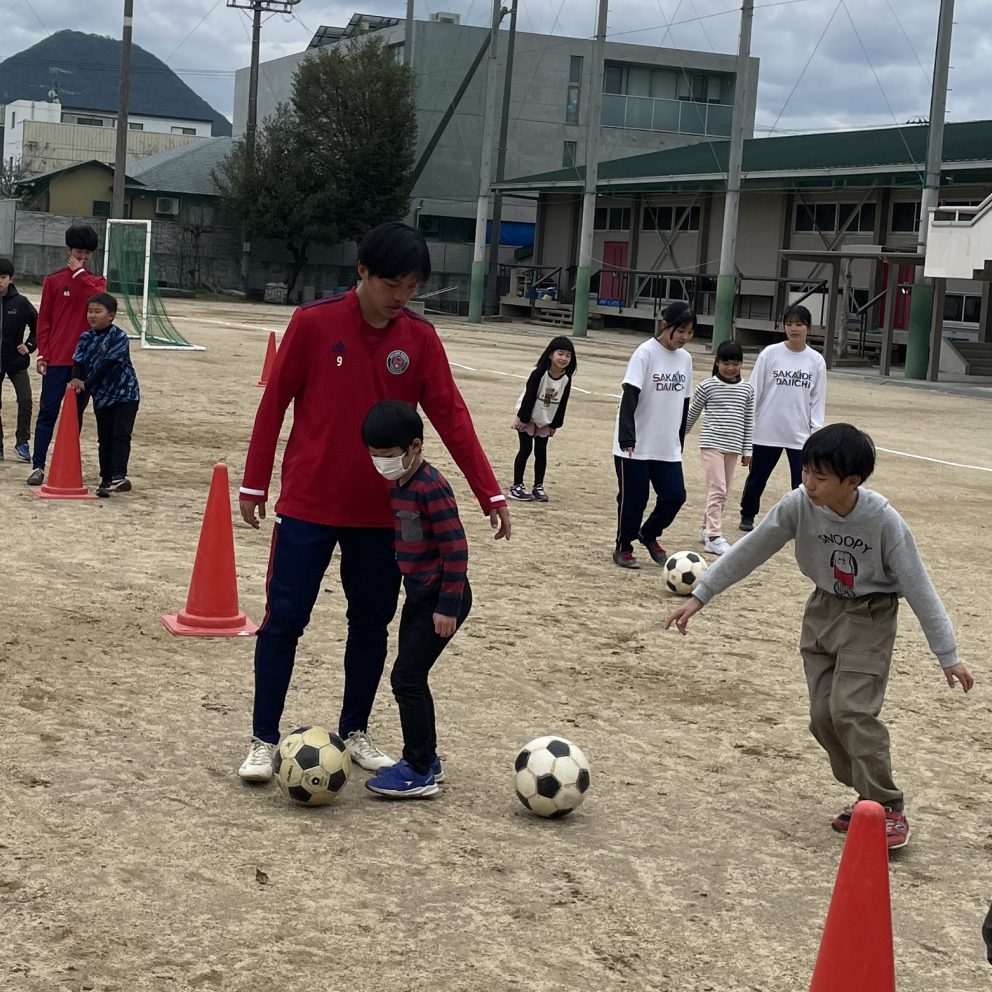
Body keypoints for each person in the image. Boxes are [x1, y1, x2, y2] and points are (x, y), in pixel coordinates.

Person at [237, 221, 510, 783]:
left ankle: (355, 728)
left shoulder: (420, 338)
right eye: (393, 285)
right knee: (284, 620)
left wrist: (488, 489)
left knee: (371, 623)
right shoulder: (313, 324)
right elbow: (275, 404)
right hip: (308, 505)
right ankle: (265, 738)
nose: (401, 298)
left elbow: (451, 416)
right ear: (362, 271)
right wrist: (254, 481)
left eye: (412, 287)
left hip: (384, 516)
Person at [666, 423, 973, 850]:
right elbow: (752, 548)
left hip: (870, 616)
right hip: (822, 611)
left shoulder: (883, 520)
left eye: (820, 477)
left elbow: (918, 586)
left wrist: (948, 654)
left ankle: (887, 807)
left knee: (852, 711)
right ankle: (867, 798)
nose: (808, 483)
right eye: (806, 471)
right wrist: (701, 595)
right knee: (822, 717)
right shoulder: (798, 505)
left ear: (853, 482)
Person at [360, 400, 471, 798]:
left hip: (441, 598)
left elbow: (456, 549)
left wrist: (447, 607)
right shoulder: (400, 483)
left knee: (406, 677)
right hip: (419, 594)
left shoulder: (431, 485)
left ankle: (419, 768)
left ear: (415, 447)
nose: (381, 464)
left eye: (388, 457)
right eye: (374, 457)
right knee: (410, 675)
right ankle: (427, 758)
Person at [612, 302, 695, 570]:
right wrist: (627, 437)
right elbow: (630, 395)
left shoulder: (686, 359)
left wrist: (679, 440)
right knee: (633, 500)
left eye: (690, 332)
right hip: (635, 445)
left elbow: (684, 403)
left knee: (675, 495)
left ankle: (649, 534)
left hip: (666, 445)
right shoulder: (645, 353)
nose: (684, 337)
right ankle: (624, 546)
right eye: (680, 330)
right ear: (665, 325)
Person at [27, 224, 106, 486]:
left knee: (75, 415)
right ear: (68, 250)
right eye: (78, 252)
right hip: (58, 360)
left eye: (87, 253)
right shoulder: (53, 281)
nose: (82, 257)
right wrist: (42, 355)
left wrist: (80, 273)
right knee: (47, 412)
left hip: (83, 364)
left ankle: (65, 464)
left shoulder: (96, 281)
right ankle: (38, 465)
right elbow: (45, 321)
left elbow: (97, 295)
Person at [738, 304, 826, 532]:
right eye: (789, 324)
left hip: (799, 435)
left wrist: (815, 433)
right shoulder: (770, 354)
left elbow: (817, 399)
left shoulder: (816, 360)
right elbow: (754, 389)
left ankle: (801, 520)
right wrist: (747, 423)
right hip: (767, 431)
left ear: (808, 327)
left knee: (802, 482)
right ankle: (747, 515)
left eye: (799, 324)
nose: (793, 329)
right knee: (757, 478)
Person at [685, 339, 755, 556]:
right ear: (717, 362)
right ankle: (714, 536)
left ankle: (706, 528)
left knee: (723, 490)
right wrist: (678, 435)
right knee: (718, 489)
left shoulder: (747, 390)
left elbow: (748, 420)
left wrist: (747, 450)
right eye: (726, 363)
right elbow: (692, 413)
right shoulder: (707, 386)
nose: (730, 368)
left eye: (735, 363)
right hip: (711, 444)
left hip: (733, 447)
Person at [69, 294, 140, 497]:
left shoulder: (119, 337)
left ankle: (119, 475)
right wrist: (75, 379)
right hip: (102, 397)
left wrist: (86, 384)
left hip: (125, 393)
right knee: (104, 438)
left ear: (111, 315)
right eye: (90, 311)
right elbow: (78, 362)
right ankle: (105, 479)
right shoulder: (86, 337)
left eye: (97, 311)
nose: (92, 315)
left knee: (120, 435)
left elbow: (106, 367)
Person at [508, 335, 576, 503]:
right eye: (560, 353)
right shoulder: (539, 373)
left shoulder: (566, 378)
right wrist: (523, 418)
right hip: (528, 416)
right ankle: (517, 486)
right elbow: (529, 396)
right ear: (550, 354)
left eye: (568, 355)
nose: (564, 358)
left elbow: (562, 402)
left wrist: (555, 424)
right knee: (525, 449)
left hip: (546, 418)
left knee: (541, 451)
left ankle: (538, 486)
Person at [0, 258, 38, 462]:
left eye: (3, 277)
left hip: (15, 361)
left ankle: (22, 443)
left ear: (10, 279)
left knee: (25, 400)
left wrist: (30, 345)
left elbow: (39, 327)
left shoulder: (21, 303)